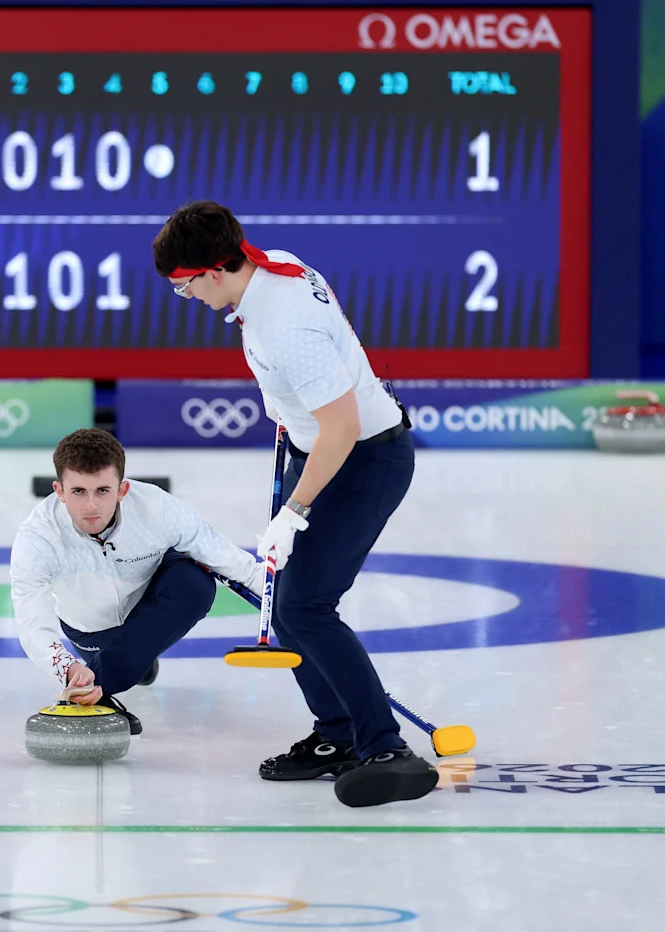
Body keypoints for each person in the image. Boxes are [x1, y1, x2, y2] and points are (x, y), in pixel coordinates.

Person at [152, 201, 434, 808]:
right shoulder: (273, 266)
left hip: (362, 462)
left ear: (214, 271)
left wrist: (294, 512)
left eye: (183, 286)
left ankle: (385, 748)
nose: (187, 298)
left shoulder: (285, 324)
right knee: (290, 602)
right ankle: (337, 736)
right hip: (324, 450)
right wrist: (287, 408)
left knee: (306, 606)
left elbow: (342, 428)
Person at [10, 428, 264, 734]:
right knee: (125, 658)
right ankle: (129, 662)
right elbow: (31, 619)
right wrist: (68, 669)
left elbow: (224, 555)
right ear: (59, 490)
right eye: (78, 491)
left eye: (103, 490)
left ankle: (104, 683)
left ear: (122, 490)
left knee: (194, 583)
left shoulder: (156, 507)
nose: (91, 505)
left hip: (150, 599)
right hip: (92, 630)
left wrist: (282, 597)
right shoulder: (38, 537)